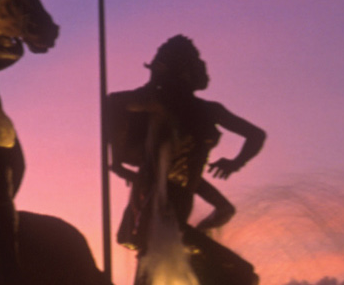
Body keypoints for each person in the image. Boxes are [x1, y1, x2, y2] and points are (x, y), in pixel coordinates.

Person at [107, 35, 264, 285]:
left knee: (217, 250)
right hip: (154, 199)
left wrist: (235, 163)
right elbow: (115, 103)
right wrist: (116, 161)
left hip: (181, 196)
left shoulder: (208, 110)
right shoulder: (158, 104)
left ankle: (189, 246)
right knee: (239, 274)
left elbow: (256, 135)